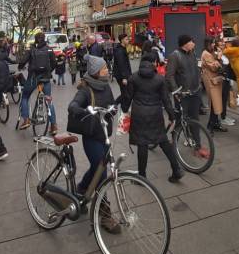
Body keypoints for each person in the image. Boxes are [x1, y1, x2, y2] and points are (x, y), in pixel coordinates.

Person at [67, 55, 120, 234]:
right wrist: (82, 110)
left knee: (97, 167)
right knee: (101, 172)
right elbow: (73, 105)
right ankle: (104, 214)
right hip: (91, 137)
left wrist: (113, 109)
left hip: (104, 134)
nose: (107, 70)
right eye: (104, 68)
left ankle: (82, 188)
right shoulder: (85, 88)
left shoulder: (105, 85)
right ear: (96, 71)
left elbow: (111, 104)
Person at [123, 55, 183, 182]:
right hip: (155, 114)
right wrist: (171, 115)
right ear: (154, 63)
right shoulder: (159, 79)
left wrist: (124, 109)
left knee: (142, 143)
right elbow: (166, 99)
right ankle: (176, 169)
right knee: (163, 140)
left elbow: (128, 97)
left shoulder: (133, 77)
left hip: (139, 114)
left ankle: (142, 176)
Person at [165, 34, 210, 158]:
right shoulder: (175, 56)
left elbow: (194, 69)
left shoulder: (192, 53)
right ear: (185, 43)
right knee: (180, 119)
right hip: (182, 94)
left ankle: (198, 146)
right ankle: (173, 141)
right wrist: (176, 91)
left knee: (195, 119)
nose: (194, 44)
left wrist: (199, 82)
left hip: (195, 92)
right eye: (191, 42)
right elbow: (169, 75)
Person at [19, 32, 58, 134]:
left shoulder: (31, 49)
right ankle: (53, 126)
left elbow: (23, 61)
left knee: (25, 97)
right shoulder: (49, 49)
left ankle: (26, 120)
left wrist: (20, 66)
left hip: (33, 78)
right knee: (48, 100)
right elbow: (54, 63)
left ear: (35, 39)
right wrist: (48, 72)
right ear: (44, 39)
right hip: (45, 79)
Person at [200, 38, 227, 132]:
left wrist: (219, 55)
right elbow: (214, 67)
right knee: (214, 103)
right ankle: (210, 126)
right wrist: (219, 58)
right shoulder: (205, 54)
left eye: (214, 43)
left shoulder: (211, 52)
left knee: (216, 103)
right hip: (211, 81)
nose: (213, 45)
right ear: (207, 44)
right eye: (212, 43)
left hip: (215, 80)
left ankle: (215, 123)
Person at [216, 38, 236, 127]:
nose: (222, 46)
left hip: (227, 79)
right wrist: (219, 56)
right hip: (222, 80)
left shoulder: (225, 54)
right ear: (216, 46)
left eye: (223, 45)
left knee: (225, 98)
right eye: (220, 45)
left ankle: (224, 116)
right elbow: (218, 68)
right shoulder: (217, 55)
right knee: (222, 99)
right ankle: (222, 118)